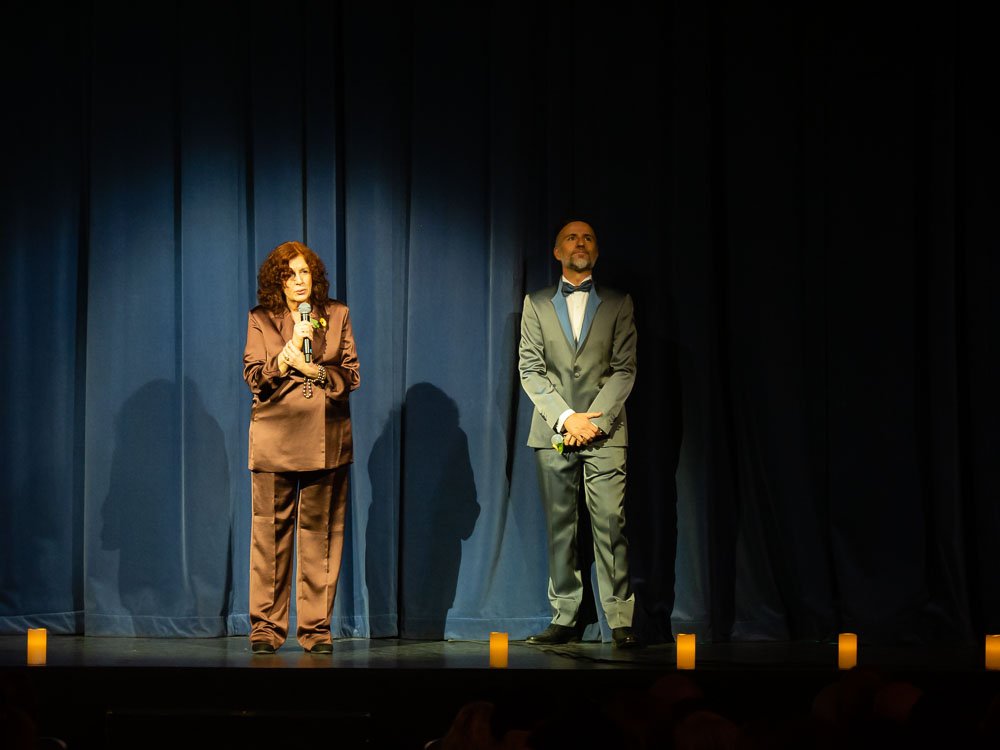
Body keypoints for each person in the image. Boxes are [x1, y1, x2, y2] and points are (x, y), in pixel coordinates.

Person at [518, 219, 639, 648]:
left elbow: (624, 369)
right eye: (571, 237)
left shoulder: (618, 303)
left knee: (610, 524)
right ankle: (564, 616)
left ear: (597, 251)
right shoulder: (535, 304)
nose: (580, 243)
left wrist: (594, 423)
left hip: (606, 432)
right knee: (560, 528)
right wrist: (567, 418)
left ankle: (620, 619)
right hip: (553, 432)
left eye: (588, 237)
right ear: (557, 252)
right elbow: (530, 369)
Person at [242, 240, 360, 654]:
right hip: (275, 439)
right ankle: (265, 629)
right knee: (269, 538)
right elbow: (254, 377)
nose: (298, 281)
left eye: (305, 272)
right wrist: (286, 358)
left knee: (321, 537)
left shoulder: (337, 314)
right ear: (278, 282)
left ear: (315, 277)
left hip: (326, 440)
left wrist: (319, 373)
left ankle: (316, 630)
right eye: (289, 274)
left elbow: (351, 374)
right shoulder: (261, 318)